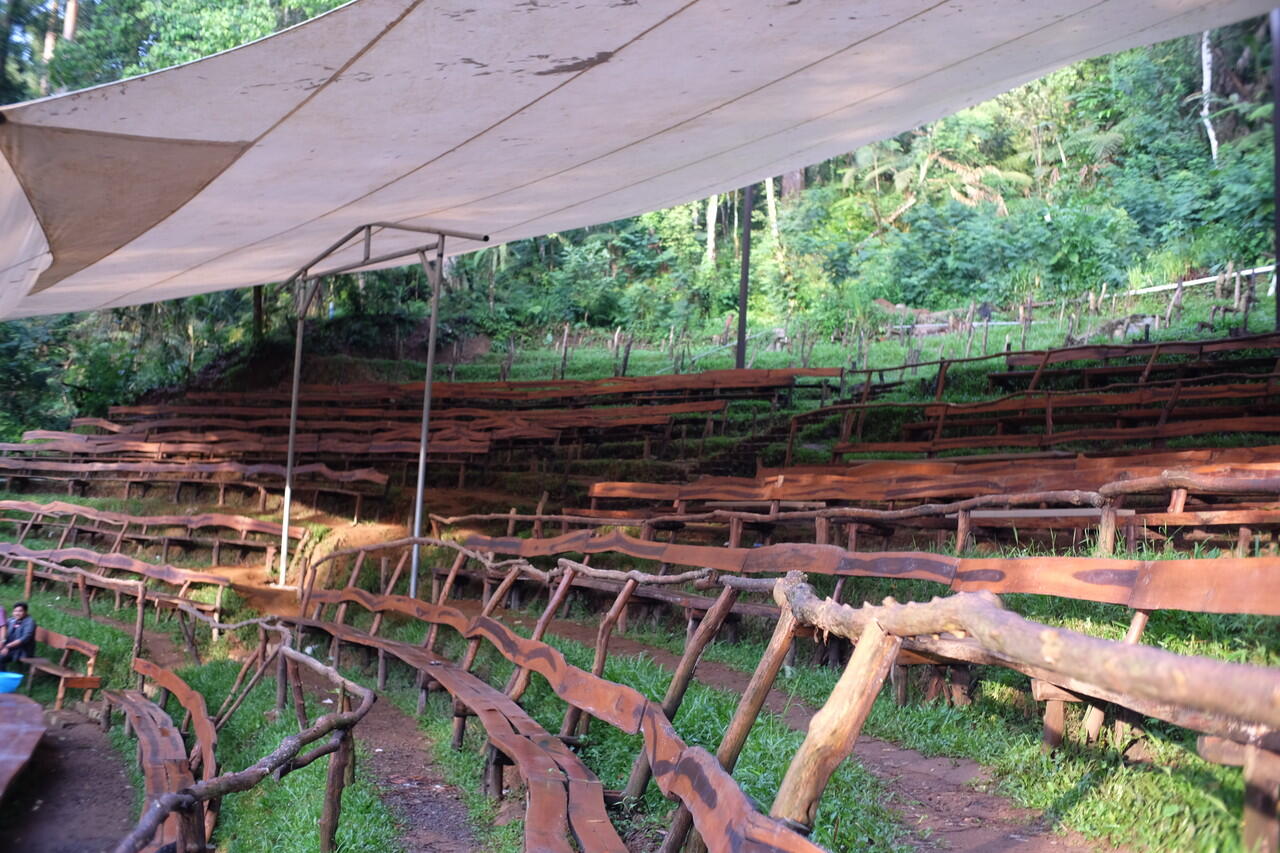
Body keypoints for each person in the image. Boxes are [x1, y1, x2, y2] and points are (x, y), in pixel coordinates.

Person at [0, 602, 35, 670]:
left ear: (25, 612)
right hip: (10, 648)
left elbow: (25, 638)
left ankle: (2, 677)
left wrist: (7, 646)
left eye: (20, 611)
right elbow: (3, 630)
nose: (17, 613)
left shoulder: (30, 622)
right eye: (15, 611)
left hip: (22, 650)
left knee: (1, 657)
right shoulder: (11, 620)